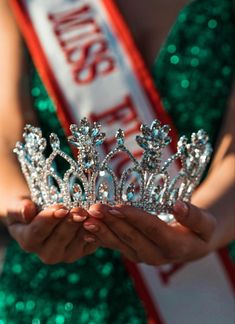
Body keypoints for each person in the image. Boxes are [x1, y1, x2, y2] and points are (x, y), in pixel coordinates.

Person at [0, 0, 234, 322]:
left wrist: (202, 224)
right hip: (45, 291)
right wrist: (20, 209)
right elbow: (6, 130)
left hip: (201, 285)